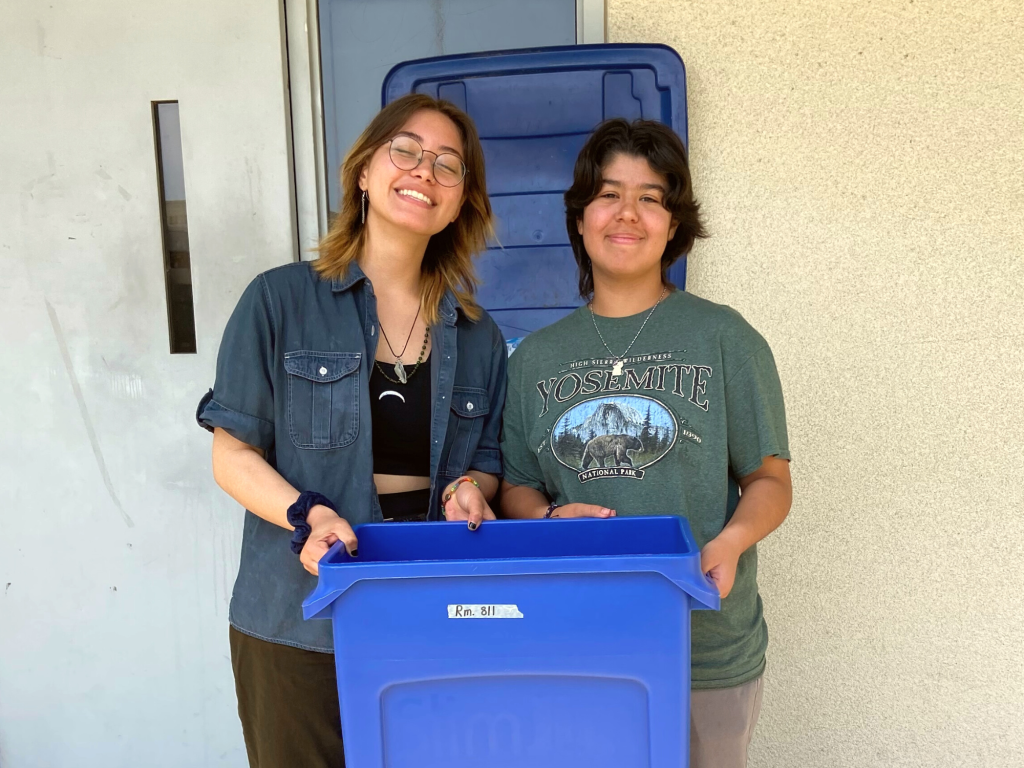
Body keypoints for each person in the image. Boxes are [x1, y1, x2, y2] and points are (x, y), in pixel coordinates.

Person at [196, 93, 507, 768]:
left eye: (448, 165)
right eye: (406, 150)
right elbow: (232, 452)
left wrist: (469, 490)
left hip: (426, 617)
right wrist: (306, 513)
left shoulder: (481, 338)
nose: (424, 170)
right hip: (297, 618)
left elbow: (485, 463)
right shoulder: (278, 300)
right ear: (364, 171)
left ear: (460, 202)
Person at [499, 118, 792, 768]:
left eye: (651, 197)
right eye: (608, 194)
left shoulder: (725, 338)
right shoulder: (534, 360)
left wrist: (730, 542)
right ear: (580, 218)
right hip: (578, 643)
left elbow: (770, 479)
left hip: (705, 648)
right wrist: (547, 517)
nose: (627, 213)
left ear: (673, 223)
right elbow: (517, 485)